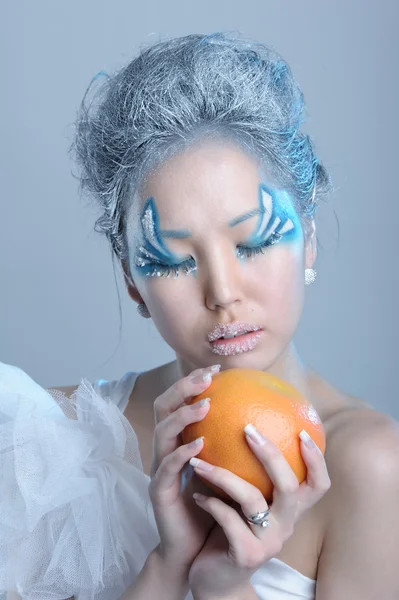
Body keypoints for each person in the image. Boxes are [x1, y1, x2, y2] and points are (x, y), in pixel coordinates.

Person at [1, 32, 399, 600]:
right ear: (131, 281)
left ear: (308, 238)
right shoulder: (48, 445)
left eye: (254, 244)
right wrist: (167, 567)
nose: (222, 291)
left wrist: (223, 586)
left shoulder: (370, 467)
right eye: (173, 260)